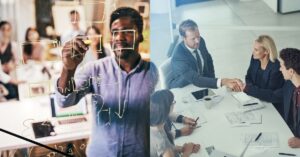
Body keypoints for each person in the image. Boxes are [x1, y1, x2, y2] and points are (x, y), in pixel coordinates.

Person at [55, 7, 158, 156]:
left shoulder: (153, 72)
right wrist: (68, 69)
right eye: (115, 32)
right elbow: (64, 101)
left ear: (141, 36)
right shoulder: (94, 69)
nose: (119, 37)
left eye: (127, 31)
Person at [169, 19, 242, 91]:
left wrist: (212, 83)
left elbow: (208, 59)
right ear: (184, 38)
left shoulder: (201, 41)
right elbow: (196, 79)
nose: (197, 41)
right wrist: (223, 82)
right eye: (193, 38)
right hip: (183, 89)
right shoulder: (179, 57)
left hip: (200, 84)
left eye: (198, 36)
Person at [150, 89, 200, 157]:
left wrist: (178, 148)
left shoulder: (153, 123)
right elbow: (163, 147)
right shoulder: (162, 142)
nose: (174, 104)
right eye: (173, 102)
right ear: (167, 109)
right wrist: (187, 152)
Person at [242, 35, 284, 115]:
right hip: (256, 99)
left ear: (266, 51)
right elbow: (248, 77)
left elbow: (269, 94)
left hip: (272, 107)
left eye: (256, 50)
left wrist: (249, 89)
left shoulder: (276, 68)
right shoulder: (255, 59)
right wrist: (251, 89)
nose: (253, 52)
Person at [278, 48, 300, 148]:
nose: (280, 69)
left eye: (282, 66)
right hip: (289, 137)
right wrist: (246, 88)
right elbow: (273, 95)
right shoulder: (289, 85)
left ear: (291, 71)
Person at [0, 21, 22, 100]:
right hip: (2, 77)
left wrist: (13, 65)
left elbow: (19, 61)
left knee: (13, 94)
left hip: (9, 77)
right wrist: (2, 68)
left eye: (8, 29)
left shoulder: (13, 45)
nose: (5, 32)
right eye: (3, 29)